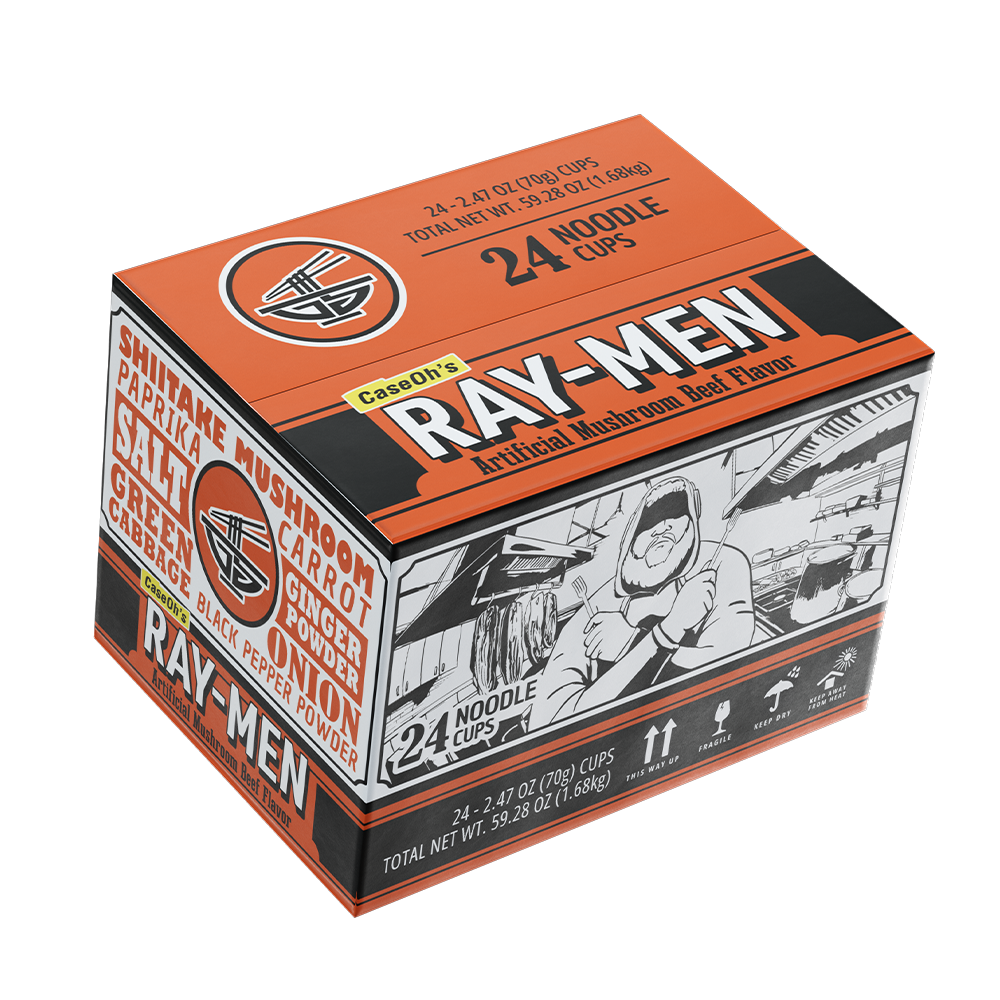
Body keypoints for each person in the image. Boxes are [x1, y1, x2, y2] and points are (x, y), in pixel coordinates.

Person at [529, 478, 754, 729]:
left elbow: (725, 673)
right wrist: (659, 634)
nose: (663, 527)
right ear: (629, 541)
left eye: (676, 515)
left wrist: (636, 641)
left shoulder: (722, 564)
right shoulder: (590, 616)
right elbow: (551, 723)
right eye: (649, 524)